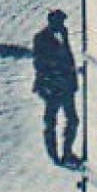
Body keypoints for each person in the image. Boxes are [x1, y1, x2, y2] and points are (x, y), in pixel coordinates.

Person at [32, 9, 80, 168]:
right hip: (51, 86)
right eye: (59, 22)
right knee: (51, 121)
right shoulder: (40, 38)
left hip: (66, 85)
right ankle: (53, 155)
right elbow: (40, 64)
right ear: (51, 22)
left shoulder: (63, 34)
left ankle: (67, 152)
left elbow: (68, 58)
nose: (62, 25)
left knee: (72, 119)